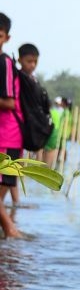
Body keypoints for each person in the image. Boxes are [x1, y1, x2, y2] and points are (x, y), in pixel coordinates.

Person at [0, 12, 23, 237]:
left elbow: (8, 102)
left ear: (6, 38)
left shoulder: (4, 62)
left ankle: (11, 231)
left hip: (7, 136)